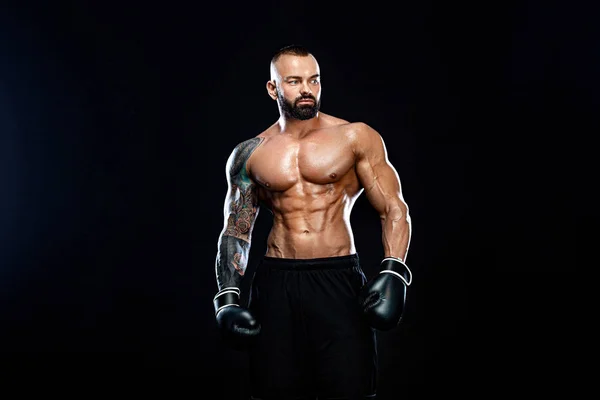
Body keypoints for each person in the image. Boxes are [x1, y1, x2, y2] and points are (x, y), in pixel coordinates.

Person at [213, 44, 413, 400]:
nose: (307, 89)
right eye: (294, 81)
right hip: (277, 282)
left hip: (338, 279)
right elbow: (236, 230)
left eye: (314, 80)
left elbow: (394, 208)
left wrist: (394, 269)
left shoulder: (355, 137)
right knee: (275, 389)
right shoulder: (249, 153)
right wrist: (227, 298)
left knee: (351, 388)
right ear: (274, 89)